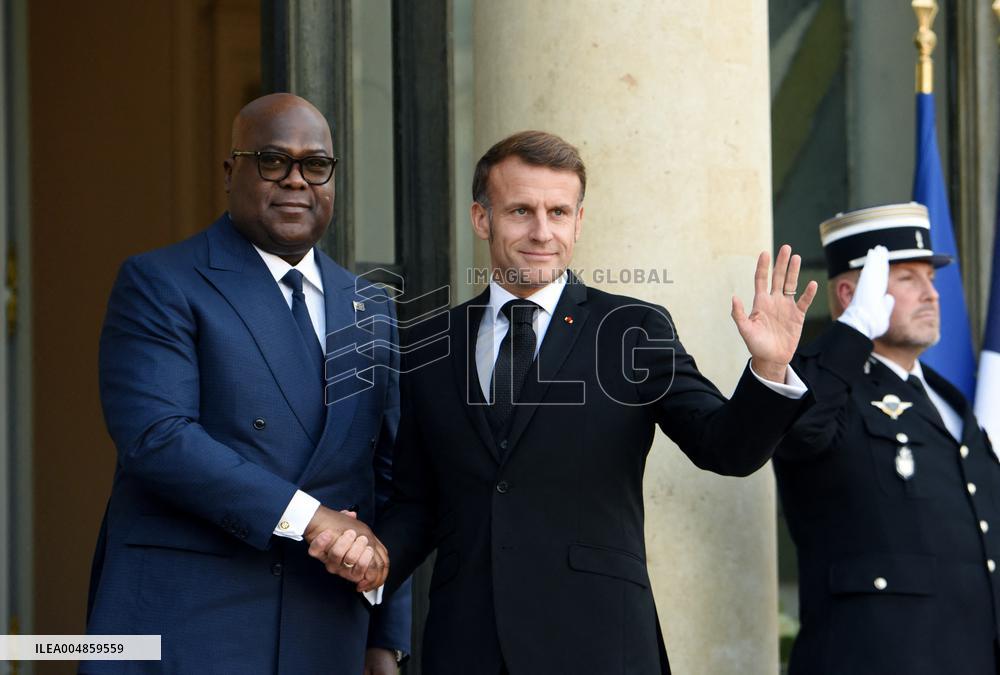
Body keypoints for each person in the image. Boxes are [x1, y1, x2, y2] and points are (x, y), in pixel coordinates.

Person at [312, 130, 817, 674]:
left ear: (578, 222)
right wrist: (374, 558)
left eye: (558, 212)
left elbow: (726, 449)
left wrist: (768, 368)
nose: (541, 231)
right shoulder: (431, 343)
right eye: (521, 211)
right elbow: (420, 502)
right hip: (468, 645)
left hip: (599, 643)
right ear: (482, 219)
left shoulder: (631, 330)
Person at [86, 93, 409, 673]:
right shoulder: (160, 282)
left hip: (325, 627)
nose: (295, 181)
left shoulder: (370, 307)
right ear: (231, 171)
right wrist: (311, 517)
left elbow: (384, 480)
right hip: (189, 622)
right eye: (272, 160)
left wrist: (385, 637)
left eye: (314, 165)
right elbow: (157, 438)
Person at [773, 203, 1000, 674]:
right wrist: (851, 333)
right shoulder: (822, 383)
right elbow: (798, 432)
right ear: (850, 293)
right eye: (906, 279)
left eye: (931, 279)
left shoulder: (948, 398)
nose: (931, 294)